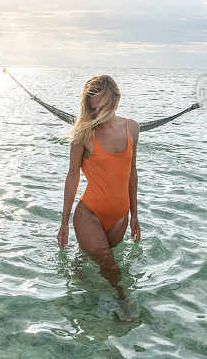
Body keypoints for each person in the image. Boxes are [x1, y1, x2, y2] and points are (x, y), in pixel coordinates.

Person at [57, 74, 140, 315]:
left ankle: (80, 287)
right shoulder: (83, 134)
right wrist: (63, 223)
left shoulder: (132, 128)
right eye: (91, 109)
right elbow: (72, 177)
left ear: (113, 100)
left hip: (120, 217)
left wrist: (135, 216)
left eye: (100, 107)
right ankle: (125, 307)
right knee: (112, 269)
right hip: (89, 214)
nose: (95, 114)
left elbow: (131, 174)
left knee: (99, 261)